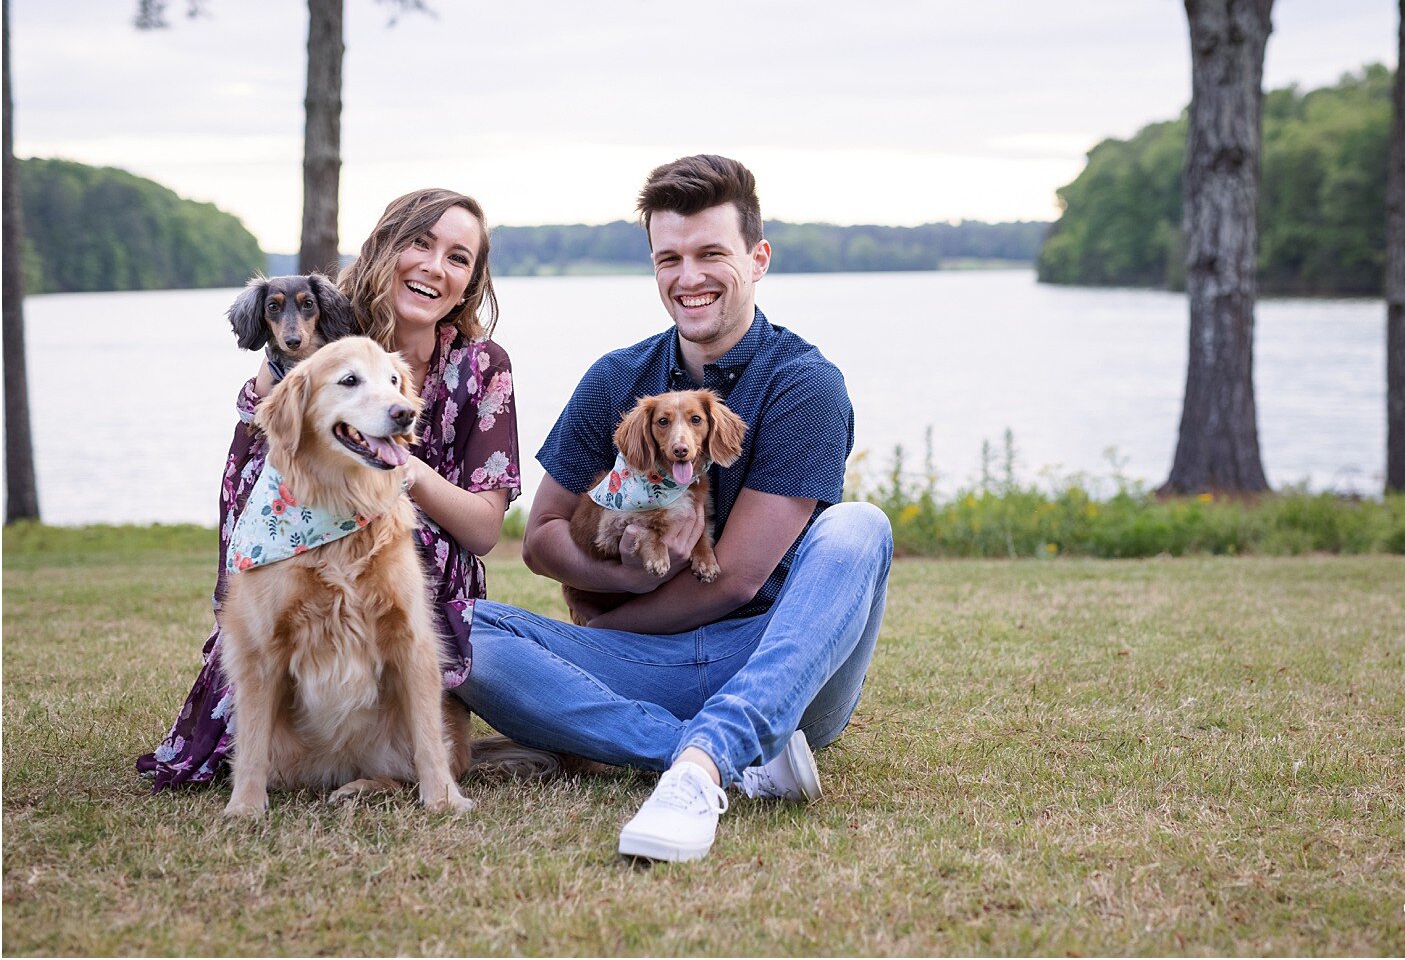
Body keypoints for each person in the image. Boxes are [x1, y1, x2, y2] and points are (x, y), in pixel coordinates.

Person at [457, 154, 893, 862]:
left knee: (859, 525)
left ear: (758, 259)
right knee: (452, 625)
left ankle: (704, 756)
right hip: (639, 658)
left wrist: (609, 628)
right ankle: (720, 755)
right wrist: (623, 586)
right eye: (670, 257)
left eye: (711, 254)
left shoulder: (804, 384)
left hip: (778, 659)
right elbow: (538, 538)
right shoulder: (618, 380)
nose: (688, 277)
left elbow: (741, 577)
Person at [137, 189, 521, 790]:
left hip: (419, 576)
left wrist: (401, 467)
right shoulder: (317, 329)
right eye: (419, 243)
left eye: (458, 257)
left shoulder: (481, 366)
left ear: (471, 281)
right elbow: (251, 466)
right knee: (235, 738)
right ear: (383, 248)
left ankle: (401, 767)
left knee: (442, 669)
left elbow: (483, 530)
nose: (434, 266)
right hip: (299, 558)